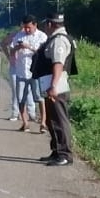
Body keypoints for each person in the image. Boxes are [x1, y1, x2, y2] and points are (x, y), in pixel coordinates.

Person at [31, 14, 76, 166]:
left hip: (56, 87)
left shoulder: (59, 40)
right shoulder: (57, 39)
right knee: (52, 120)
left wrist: (53, 86)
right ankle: (56, 151)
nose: (45, 27)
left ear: (50, 24)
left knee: (59, 120)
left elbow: (58, 63)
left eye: (46, 24)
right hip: (51, 84)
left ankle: (64, 155)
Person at [6, 16, 46, 132]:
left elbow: (42, 53)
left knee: (39, 97)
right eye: (25, 27)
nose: (27, 30)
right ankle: (25, 122)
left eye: (29, 27)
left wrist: (29, 47)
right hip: (21, 71)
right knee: (20, 98)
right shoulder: (19, 35)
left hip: (35, 72)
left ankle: (43, 122)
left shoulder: (42, 36)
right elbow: (12, 50)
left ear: (35, 25)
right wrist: (18, 47)